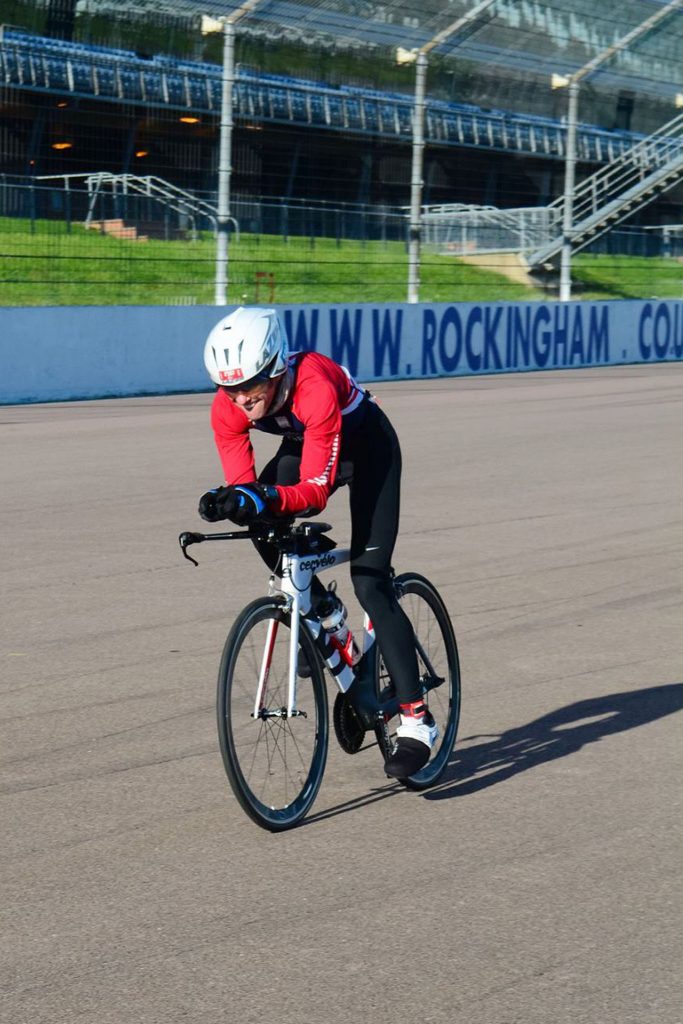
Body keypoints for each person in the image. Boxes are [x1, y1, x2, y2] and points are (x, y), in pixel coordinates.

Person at [197, 305, 437, 779]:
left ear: (277, 368)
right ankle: (324, 611)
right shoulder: (226, 406)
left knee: (370, 582)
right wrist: (235, 501)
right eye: (229, 388)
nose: (240, 399)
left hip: (370, 455)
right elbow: (249, 493)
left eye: (250, 385)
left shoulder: (314, 387)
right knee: (260, 522)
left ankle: (417, 719)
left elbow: (314, 493)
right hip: (307, 446)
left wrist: (264, 496)